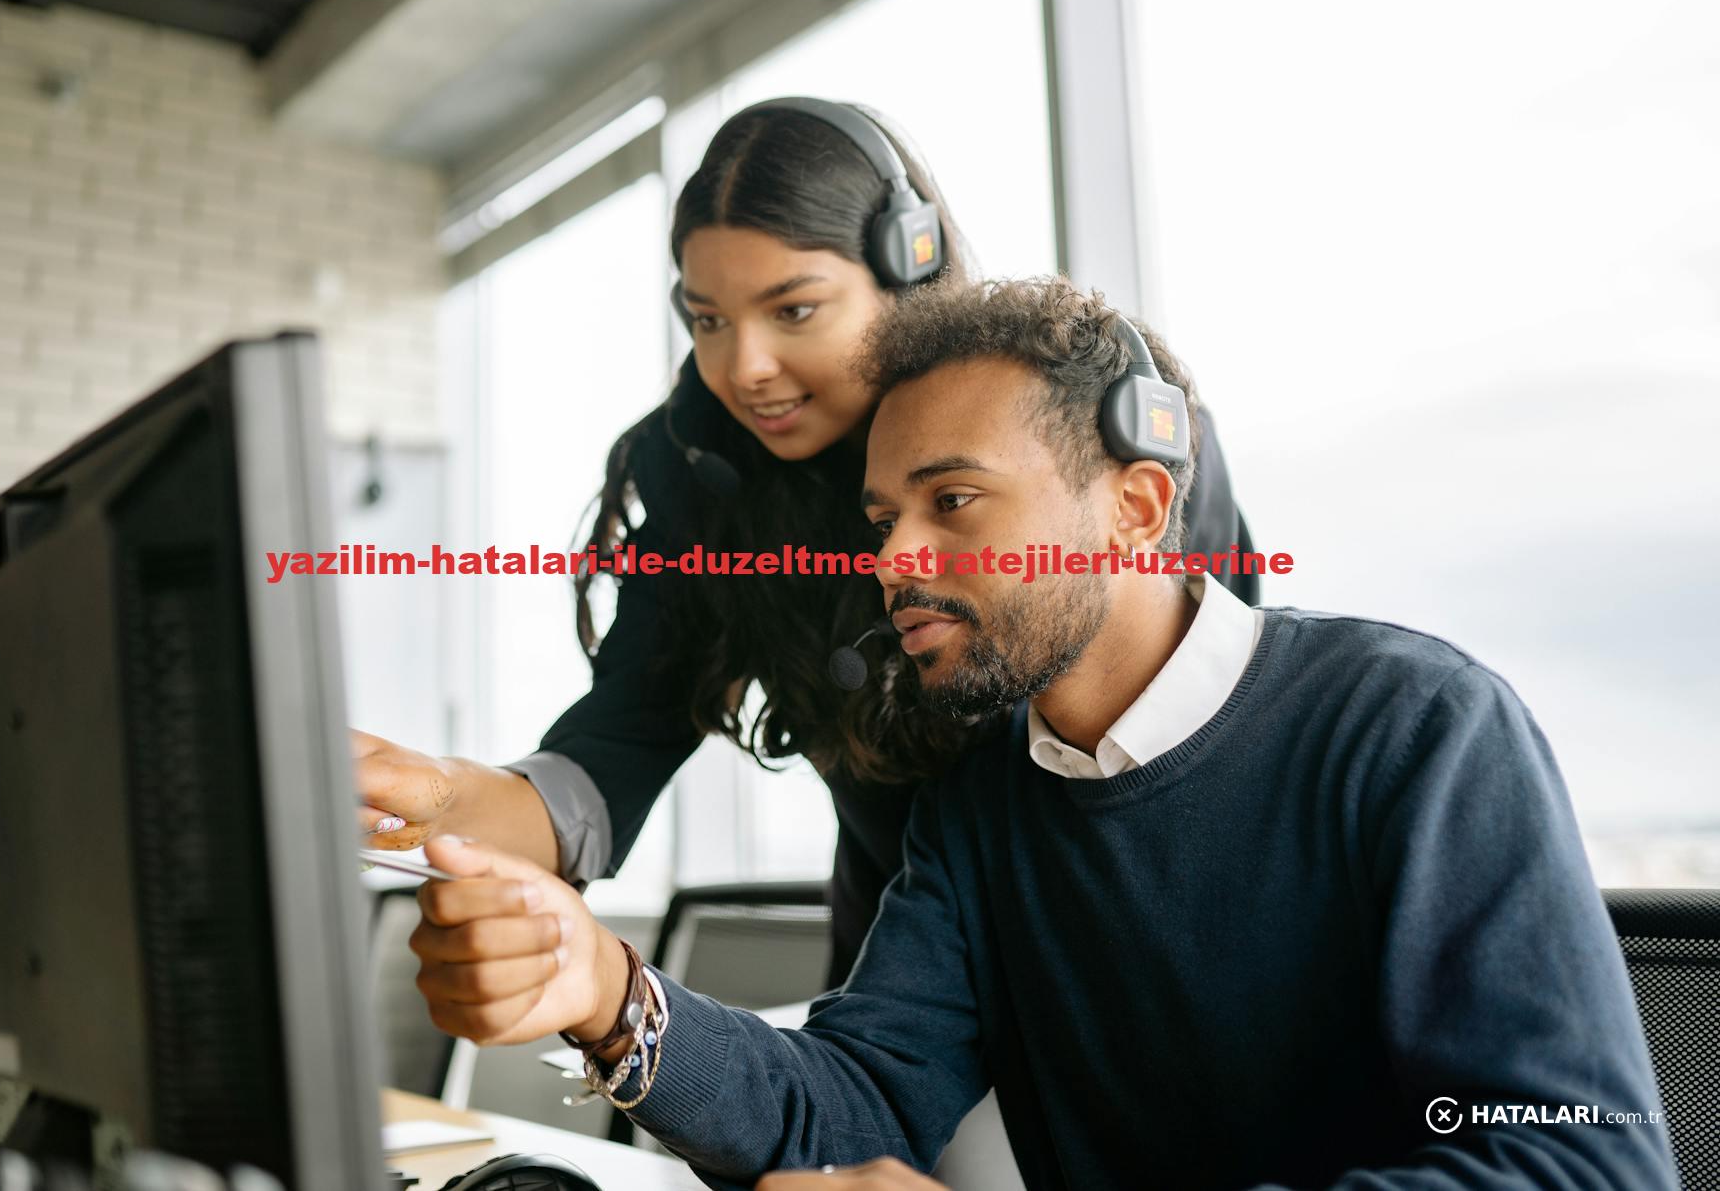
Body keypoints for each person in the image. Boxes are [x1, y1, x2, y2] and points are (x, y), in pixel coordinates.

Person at [402, 277, 1674, 1191]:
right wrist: (611, 994)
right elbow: (860, 1096)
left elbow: (1570, 1155)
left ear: (1130, 507)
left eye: (952, 500)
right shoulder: (981, 799)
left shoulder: (1412, 730)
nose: (893, 558)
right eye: (882, 515)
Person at [354, 99, 1256, 982]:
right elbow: (613, 750)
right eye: (708, 319)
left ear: (910, 271)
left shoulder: (1107, 442)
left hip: (1132, 952)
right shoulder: (703, 477)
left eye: (793, 311)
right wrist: (438, 795)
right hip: (900, 983)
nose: (743, 368)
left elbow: (1232, 732)